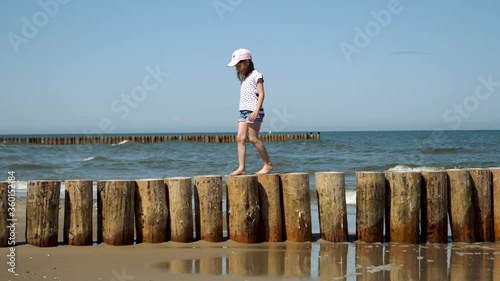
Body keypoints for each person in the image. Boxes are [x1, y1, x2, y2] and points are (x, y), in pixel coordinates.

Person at [227, 48, 273, 176]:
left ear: (247, 62)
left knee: (253, 138)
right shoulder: (244, 78)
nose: (237, 68)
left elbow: (262, 94)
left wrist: (256, 111)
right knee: (240, 138)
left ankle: (267, 164)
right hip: (243, 112)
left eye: (238, 65)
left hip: (254, 111)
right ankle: (241, 167)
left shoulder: (256, 75)